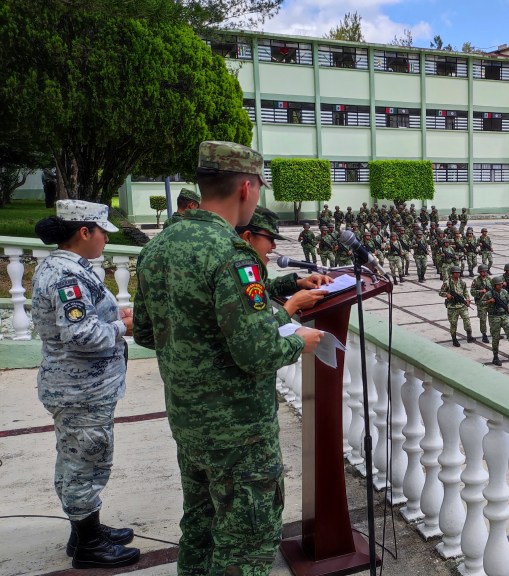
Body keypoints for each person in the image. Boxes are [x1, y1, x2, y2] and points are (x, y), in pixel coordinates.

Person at [133, 141, 322, 576]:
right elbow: (258, 351)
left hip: (189, 422)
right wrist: (301, 342)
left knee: (200, 528)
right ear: (246, 188)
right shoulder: (232, 256)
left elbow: (144, 331)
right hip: (239, 434)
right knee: (245, 546)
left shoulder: (159, 247)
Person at [32, 200, 141, 569]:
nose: (105, 240)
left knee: (75, 458)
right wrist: (123, 326)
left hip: (78, 388)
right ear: (84, 232)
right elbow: (82, 336)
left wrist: (113, 316)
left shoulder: (65, 267)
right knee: (87, 463)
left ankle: (84, 532)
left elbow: (84, 319)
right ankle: (89, 546)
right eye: (101, 233)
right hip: (81, 391)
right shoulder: (68, 276)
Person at [235, 206, 329, 319]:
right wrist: (294, 305)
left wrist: (298, 283)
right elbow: (262, 329)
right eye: (271, 239)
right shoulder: (241, 268)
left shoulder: (240, 262)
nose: (274, 246)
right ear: (248, 237)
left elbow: (263, 288)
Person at [485, 276, 509, 365]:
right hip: (494, 317)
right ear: (494, 285)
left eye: (501, 284)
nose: (501, 285)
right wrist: (489, 301)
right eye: (499, 284)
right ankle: (495, 357)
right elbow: (481, 303)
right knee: (496, 337)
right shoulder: (488, 294)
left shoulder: (504, 292)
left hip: (504, 315)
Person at [440, 268, 474, 346]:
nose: (458, 274)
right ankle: (454, 339)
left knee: (467, 320)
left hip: (462, 306)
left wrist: (468, 299)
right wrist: (447, 295)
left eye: (458, 272)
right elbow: (441, 292)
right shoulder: (447, 283)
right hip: (452, 307)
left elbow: (465, 292)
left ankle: (469, 336)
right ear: (452, 273)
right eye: (456, 273)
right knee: (453, 323)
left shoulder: (462, 282)